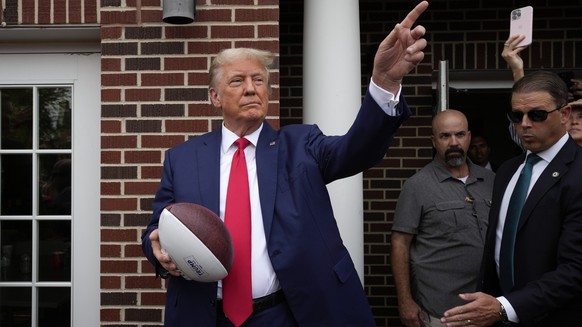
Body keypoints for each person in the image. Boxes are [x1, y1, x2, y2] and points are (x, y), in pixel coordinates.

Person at [141, 2, 430, 326]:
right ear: (215, 97)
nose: (252, 88)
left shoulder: (301, 145)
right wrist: (157, 248)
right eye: (237, 81)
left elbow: (356, 150)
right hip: (203, 315)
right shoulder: (182, 158)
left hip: (285, 315)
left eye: (259, 80)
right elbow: (157, 227)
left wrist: (384, 83)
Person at [441, 70, 582, 326]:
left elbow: (576, 269)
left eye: (537, 115)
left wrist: (504, 307)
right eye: (517, 116)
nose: (525, 124)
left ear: (564, 115)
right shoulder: (507, 171)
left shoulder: (578, 173)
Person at [391, 110, 495, 327]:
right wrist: (405, 301)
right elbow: (400, 244)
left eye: (459, 134)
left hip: (489, 306)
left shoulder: (492, 181)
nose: (454, 142)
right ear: (433, 140)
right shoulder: (417, 186)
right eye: (445, 136)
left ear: (468, 137)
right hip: (441, 311)